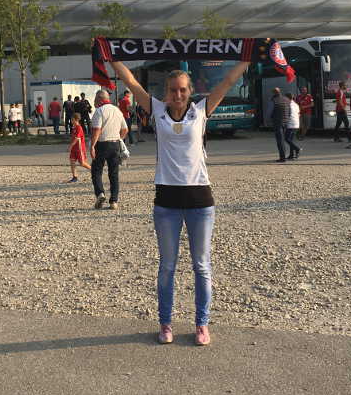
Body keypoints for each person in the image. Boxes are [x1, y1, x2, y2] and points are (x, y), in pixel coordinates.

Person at [112, 58, 250, 346]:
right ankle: (165, 323)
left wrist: (247, 58)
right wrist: (111, 58)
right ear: (166, 92)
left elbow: (225, 82)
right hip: (166, 202)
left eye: (183, 90)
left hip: (200, 200)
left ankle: (202, 324)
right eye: (173, 90)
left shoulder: (201, 110)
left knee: (202, 266)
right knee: (167, 267)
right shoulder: (157, 110)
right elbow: (131, 82)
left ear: (190, 91)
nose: (178, 95)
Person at [89, 90, 128, 211]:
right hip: (115, 144)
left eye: (95, 98)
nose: (94, 101)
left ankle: (100, 193)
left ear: (100, 99)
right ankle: (114, 201)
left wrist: (92, 146)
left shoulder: (99, 111)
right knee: (114, 173)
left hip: (101, 144)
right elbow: (125, 129)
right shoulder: (117, 110)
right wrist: (119, 139)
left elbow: (97, 130)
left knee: (96, 170)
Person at [67, 112, 91, 182]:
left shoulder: (79, 128)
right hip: (74, 149)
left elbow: (77, 138)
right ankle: (75, 177)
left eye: (72, 119)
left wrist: (70, 146)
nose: (71, 121)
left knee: (82, 163)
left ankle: (94, 171)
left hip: (79, 148)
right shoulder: (73, 127)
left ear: (75, 119)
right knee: (72, 161)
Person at [269, 87, 289, 163]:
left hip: (278, 122)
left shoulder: (274, 100)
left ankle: (282, 157)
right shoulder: (286, 99)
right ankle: (284, 156)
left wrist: (269, 119)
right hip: (285, 122)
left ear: (274, 93)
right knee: (282, 140)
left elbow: (269, 112)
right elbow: (289, 111)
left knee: (280, 140)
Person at [284, 92, 301, 160]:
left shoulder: (288, 105)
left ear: (287, 98)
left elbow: (287, 114)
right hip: (296, 124)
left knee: (287, 139)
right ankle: (291, 155)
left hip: (290, 124)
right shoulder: (296, 104)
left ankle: (297, 149)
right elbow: (298, 114)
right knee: (291, 140)